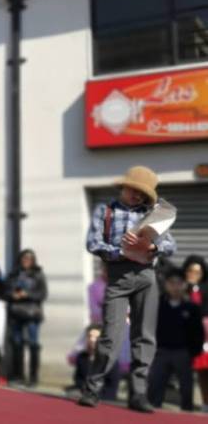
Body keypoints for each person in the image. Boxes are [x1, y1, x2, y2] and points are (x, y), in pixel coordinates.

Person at [78, 166, 176, 413]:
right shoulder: (106, 210)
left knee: (144, 337)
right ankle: (92, 389)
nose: (136, 196)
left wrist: (151, 247)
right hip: (118, 276)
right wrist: (122, 250)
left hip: (146, 276)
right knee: (110, 335)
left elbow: (171, 244)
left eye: (142, 193)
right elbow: (92, 243)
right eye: (133, 190)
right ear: (123, 186)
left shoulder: (155, 213)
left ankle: (138, 394)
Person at [147, 268, 202, 411]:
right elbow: (150, 328)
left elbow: (198, 333)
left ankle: (187, 414)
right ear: (166, 284)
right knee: (155, 385)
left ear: (184, 285)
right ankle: (153, 412)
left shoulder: (192, 308)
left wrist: (193, 352)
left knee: (186, 388)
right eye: (172, 283)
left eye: (179, 283)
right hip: (161, 352)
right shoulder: (158, 305)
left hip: (183, 353)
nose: (175, 287)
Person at [5, 249, 47, 386]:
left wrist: (27, 294)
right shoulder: (13, 274)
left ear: (33, 260)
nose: (26, 261)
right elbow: (5, 290)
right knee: (17, 344)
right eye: (24, 258)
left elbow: (42, 294)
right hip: (15, 313)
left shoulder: (38, 274)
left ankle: (33, 377)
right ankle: (18, 375)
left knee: (33, 344)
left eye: (29, 258)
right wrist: (13, 295)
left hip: (32, 314)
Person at [183, 254, 208, 411]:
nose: (194, 275)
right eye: (191, 271)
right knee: (197, 372)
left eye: (197, 272)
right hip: (186, 336)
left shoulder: (206, 288)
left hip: (205, 335)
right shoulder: (180, 287)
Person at [69, 325, 120, 401]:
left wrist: (93, 395)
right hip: (83, 394)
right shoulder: (82, 357)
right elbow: (78, 379)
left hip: (103, 398)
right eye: (90, 336)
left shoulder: (110, 360)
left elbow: (111, 388)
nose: (92, 340)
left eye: (96, 337)